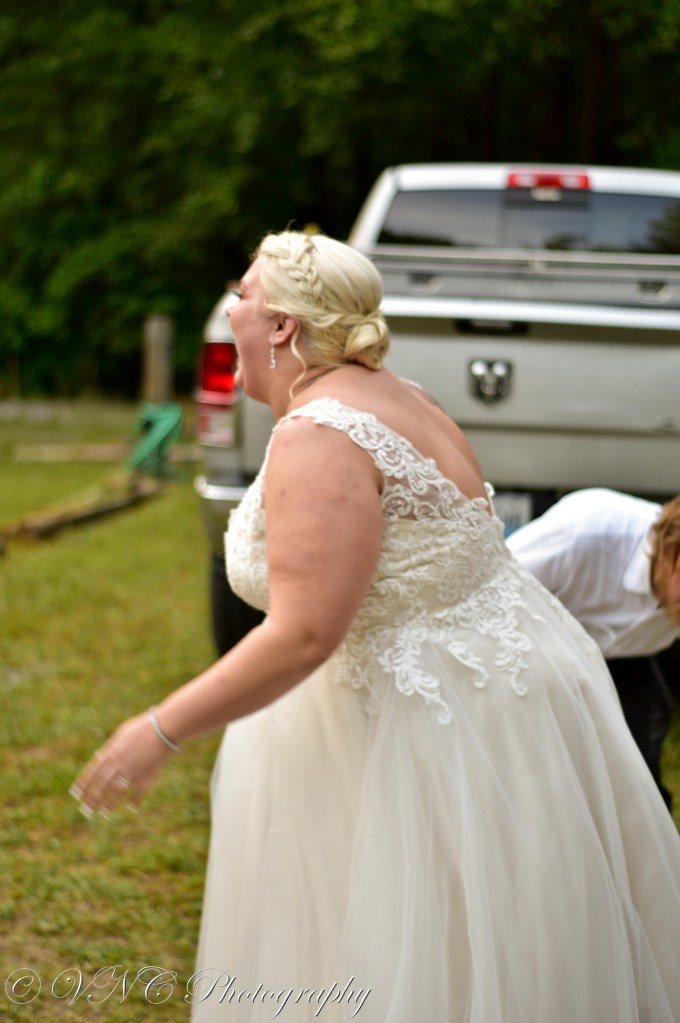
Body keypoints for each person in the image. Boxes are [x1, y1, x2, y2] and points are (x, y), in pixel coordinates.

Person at [72, 230, 680, 1022]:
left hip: (417, 734)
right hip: (499, 706)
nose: (232, 307)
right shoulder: (403, 396)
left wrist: (159, 728)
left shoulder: (319, 435)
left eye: (243, 292)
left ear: (282, 324)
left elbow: (305, 632)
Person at [506, 488, 680, 807]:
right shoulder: (585, 534)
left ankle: (640, 812)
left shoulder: (672, 584)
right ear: (672, 551)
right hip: (532, 645)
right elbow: (497, 586)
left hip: (621, 655)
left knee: (647, 717)